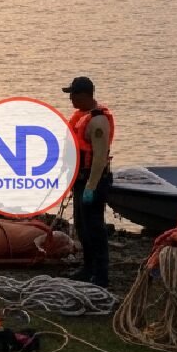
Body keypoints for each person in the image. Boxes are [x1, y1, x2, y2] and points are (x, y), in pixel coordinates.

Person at [63, 76, 114, 288]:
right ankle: (87, 268)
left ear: (84, 95)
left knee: (95, 228)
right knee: (82, 227)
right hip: (80, 179)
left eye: (73, 94)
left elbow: (100, 158)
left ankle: (101, 275)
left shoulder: (98, 121)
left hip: (94, 181)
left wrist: (91, 187)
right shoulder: (81, 116)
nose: (71, 99)